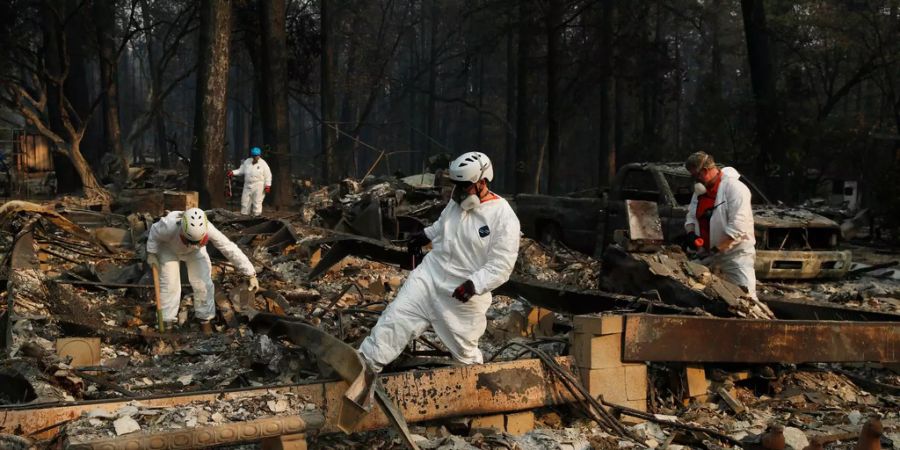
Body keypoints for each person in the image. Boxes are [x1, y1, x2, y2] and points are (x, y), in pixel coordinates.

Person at [359, 151, 520, 372]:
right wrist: (425, 235)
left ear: (483, 182)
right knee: (394, 320)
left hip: (462, 293)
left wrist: (474, 285)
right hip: (429, 277)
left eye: (465, 186)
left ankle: (473, 390)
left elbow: (501, 265)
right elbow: (443, 225)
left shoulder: (503, 217)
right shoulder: (457, 204)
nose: (459, 192)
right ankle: (362, 367)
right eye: (456, 185)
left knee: (465, 354)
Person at [146, 208, 258, 333]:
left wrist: (250, 273)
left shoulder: (208, 228)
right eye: (190, 241)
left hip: (196, 252)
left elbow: (228, 247)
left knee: (203, 284)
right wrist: (151, 252)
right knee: (170, 285)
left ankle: (205, 321)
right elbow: (154, 233)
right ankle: (166, 324)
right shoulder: (169, 226)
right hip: (169, 249)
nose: (192, 243)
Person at [684, 151, 758, 299]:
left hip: (735, 255)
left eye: (696, 176)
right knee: (694, 291)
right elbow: (691, 216)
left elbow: (738, 228)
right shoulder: (700, 192)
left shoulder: (736, 189)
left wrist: (717, 249)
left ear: (705, 171)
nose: (696, 181)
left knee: (746, 298)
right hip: (708, 254)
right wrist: (691, 234)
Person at [227, 147, 272, 216]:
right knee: (245, 202)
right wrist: (233, 172)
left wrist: (267, 185)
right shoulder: (247, 162)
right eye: (254, 156)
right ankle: (244, 216)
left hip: (258, 185)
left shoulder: (263, 164)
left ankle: (257, 217)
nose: (256, 157)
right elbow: (241, 170)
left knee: (257, 202)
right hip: (247, 185)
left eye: (257, 156)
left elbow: (268, 175)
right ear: (252, 155)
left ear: (259, 155)